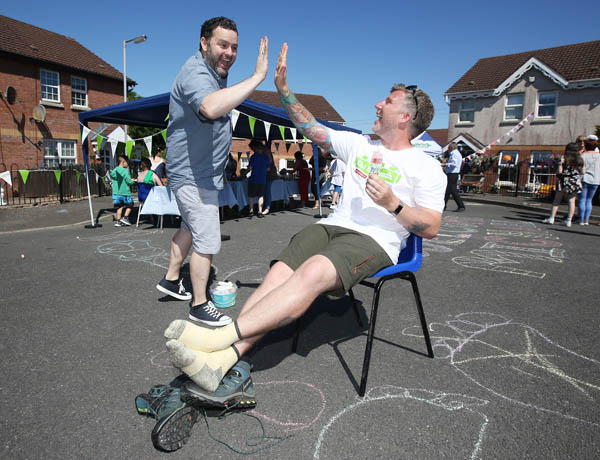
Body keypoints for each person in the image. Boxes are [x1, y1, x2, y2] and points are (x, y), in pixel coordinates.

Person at [162, 43, 447, 395]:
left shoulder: (427, 167)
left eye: (387, 102)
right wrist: (283, 91)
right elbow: (311, 127)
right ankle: (224, 359)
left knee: (312, 271)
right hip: (331, 227)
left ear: (406, 117)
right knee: (278, 275)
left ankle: (219, 338)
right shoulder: (359, 144)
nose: (378, 104)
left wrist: (394, 204)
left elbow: (431, 226)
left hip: (376, 241)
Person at [155, 16, 268, 327]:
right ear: (204, 43)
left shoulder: (214, 75)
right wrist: (257, 76)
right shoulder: (195, 73)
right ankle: (200, 304)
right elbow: (209, 108)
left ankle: (170, 278)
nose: (229, 52)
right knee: (208, 238)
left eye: (234, 47)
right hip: (192, 174)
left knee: (189, 228)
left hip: (199, 172)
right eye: (222, 44)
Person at [542, 143, 584, 227]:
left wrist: (559, 165)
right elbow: (583, 172)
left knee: (557, 200)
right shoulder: (580, 159)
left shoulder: (563, 158)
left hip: (563, 180)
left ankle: (552, 218)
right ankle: (569, 220)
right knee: (571, 201)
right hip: (574, 181)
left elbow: (559, 171)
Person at [576, 135, 600, 225]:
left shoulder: (583, 155)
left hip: (584, 178)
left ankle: (581, 219)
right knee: (589, 200)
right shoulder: (599, 156)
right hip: (596, 179)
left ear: (586, 145)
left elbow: (579, 167)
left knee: (582, 199)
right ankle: (586, 220)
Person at [246, 139, 270, 217]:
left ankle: (251, 211)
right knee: (261, 196)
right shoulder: (266, 158)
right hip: (262, 180)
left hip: (253, 179)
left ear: (255, 148)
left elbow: (250, 168)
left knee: (251, 196)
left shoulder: (253, 157)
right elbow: (268, 169)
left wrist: (248, 168)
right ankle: (260, 212)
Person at [110, 155, 135, 226]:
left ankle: (118, 221)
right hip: (125, 193)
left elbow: (112, 176)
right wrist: (133, 181)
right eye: (127, 163)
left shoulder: (114, 170)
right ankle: (125, 218)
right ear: (123, 162)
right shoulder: (124, 171)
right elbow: (129, 182)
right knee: (130, 205)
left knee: (119, 207)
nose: (128, 164)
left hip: (116, 193)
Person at [443, 142, 466, 212]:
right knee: (447, 191)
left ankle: (461, 206)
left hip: (452, 174)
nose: (448, 149)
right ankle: (443, 205)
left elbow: (454, 164)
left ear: (452, 147)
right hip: (452, 173)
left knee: (453, 190)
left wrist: (445, 164)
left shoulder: (454, 154)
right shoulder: (455, 154)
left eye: (449, 148)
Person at [262, 144, 279, 215]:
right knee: (265, 191)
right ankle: (265, 206)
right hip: (266, 173)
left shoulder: (266, 151)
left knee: (267, 190)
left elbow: (269, 162)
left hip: (269, 174)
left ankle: (267, 207)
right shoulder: (265, 151)